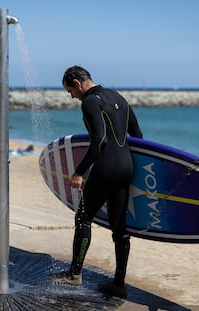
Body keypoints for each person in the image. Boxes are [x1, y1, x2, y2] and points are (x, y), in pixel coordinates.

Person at [52, 66, 143, 299]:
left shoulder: (90, 101)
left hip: (105, 168)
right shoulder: (118, 97)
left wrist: (80, 172)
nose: (72, 96)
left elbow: (99, 140)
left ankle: (74, 274)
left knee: (83, 218)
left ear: (77, 82)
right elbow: (138, 136)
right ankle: (119, 284)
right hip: (126, 168)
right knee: (119, 228)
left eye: (70, 90)